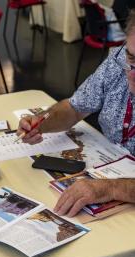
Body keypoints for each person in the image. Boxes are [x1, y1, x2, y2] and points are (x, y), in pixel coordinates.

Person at [17, 9, 135, 218]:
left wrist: (111, 188)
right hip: (108, 169)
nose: (131, 71)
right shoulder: (117, 62)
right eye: (131, 56)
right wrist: (42, 122)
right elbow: (74, 108)